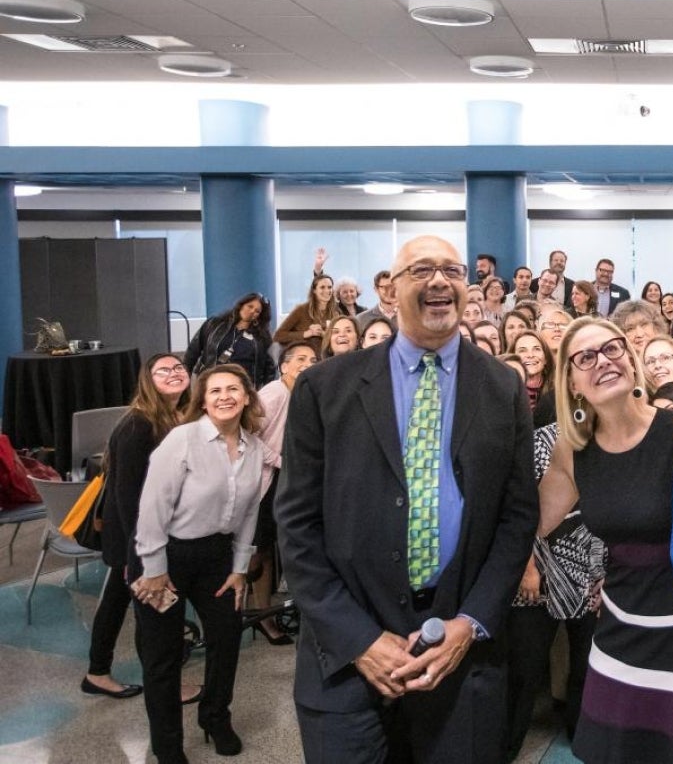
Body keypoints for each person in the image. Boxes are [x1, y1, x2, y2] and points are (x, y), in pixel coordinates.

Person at [275, 236, 537, 763]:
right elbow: (297, 526)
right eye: (421, 270)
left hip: (459, 651)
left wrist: (471, 623)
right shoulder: (326, 388)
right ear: (391, 292)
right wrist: (359, 640)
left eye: (452, 271)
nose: (439, 281)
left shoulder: (502, 387)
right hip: (346, 655)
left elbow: (517, 518)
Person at [540, 317, 673, 763]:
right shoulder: (572, 450)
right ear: (571, 380)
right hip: (620, 627)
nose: (603, 361)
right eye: (586, 356)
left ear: (631, 357)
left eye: (613, 348)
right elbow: (527, 523)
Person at [130, 364, 266, 763]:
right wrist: (153, 569)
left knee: (227, 638)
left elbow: (249, 513)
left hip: (217, 557)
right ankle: (167, 746)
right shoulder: (182, 439)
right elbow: (152, 507)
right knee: (162, 657)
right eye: (215, 390)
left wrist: (240, 566)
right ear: (202, 400)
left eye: (233, 389)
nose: (224, 396)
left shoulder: (253, 447)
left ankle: (214, 717)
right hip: (165, 555)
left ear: (246, 397)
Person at [82, 353, 192, 702]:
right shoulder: (138, 425)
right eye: (164, 370)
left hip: (149, 533)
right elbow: (129, 497)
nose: (174, 374)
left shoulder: (177, 415)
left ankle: (97, 672)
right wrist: (142, 552)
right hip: (136, 536)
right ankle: (165, 685)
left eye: (179, 368)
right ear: (148, 379)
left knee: (117, 601)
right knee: (152, 610)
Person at [504, 421, 602, 759]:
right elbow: (521, 507)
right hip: (540, 575)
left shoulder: (613, 438)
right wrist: (527, 567)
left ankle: (581, 742)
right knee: (523, 670)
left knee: (586, 668)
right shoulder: (544, 439)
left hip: (590, 575)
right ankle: (504, 746)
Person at [250, 341, 318, 645]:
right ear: (284, 366)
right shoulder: (273, 394)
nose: (308, 363)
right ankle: (259, 615)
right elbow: (248, 436)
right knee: (260, 550)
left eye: (313, 358)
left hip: (295, 478)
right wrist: (281, 461)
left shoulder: (309, 393)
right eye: (300, 358)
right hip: (269, 481)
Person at [184, 292, 276, 388]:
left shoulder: (262, 337)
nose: (252, 311)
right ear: (241, 305)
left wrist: (265, 392)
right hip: (211, 382)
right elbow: (192, 353)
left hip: (244, 387)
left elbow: (270, 368)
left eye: (257, 311)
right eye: (250, 306)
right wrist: (185, 378)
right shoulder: (214, 324)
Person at [275, 274, 340, 345]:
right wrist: (307, 333)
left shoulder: (335, 313)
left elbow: (337, 339)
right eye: (322, 287)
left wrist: (322, 334)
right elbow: (278, 335)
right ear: (314, 290)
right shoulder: (301, 310)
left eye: (329, 287)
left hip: (327, 355)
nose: (327, 290)